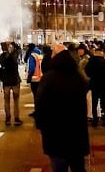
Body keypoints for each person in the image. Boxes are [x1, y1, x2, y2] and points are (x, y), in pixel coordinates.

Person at [34, 44, 90, 172]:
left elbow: (41, 104)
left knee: (59, 167)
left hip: (55, 133)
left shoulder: (49, 78)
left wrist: (41, 125)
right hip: (76, 132)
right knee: (78, 167)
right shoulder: (78, 76)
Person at [83, 43, 105, 126]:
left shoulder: (91, 61)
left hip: (94, 84)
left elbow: (87, 72)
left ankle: (95, 120)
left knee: (94, 102)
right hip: (104, 85)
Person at [0, 41, 23, 126]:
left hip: (6, 81)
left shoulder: (0, 57)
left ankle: (8, 118)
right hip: (15, 81)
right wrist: (15, 45)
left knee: (6, 101)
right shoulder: (13, 56)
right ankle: (16, 118)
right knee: (16, 100)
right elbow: (18, 50)